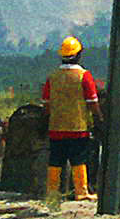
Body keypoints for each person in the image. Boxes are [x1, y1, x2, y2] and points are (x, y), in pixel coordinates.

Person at [40, 35, 103, 202]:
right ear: (78, 55)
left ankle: (52, 193)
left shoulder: (52, 77)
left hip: (56, 127)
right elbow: (93, 102)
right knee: (78, 159)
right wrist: (98, 120)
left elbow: (46, 104)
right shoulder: (84, 76)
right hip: (78, 127)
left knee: (55, 160)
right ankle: (81, 192)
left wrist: (45, 122)